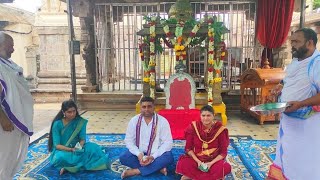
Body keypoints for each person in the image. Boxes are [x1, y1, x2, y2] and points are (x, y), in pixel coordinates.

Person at [267, 28, 320, 179]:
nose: (292, 45)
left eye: (296, 42)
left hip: (308, 127)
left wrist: (301, 103)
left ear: (310, 43)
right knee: (287, 158)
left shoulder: (317, 63)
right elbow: (289, 79)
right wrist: (281, 86)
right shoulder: (297, 61)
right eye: (292, 42)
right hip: (289, 123)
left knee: (305, 164)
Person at [0, 32, 34, 179]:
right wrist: (3, 119)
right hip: (6, 121)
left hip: (14, 118)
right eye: (10, 46)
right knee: (4, 156)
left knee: (11, 155)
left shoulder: (7, 65)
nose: (13, 50)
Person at [48, 99, 109, 175]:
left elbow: (82, 139)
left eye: (74, 111)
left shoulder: (80, 122)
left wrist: (78, 147)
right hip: (63, 150)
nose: (72, 114)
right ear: (64, 112)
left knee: (94, 149)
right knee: (59, 158)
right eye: (69, 112)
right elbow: (57, 145)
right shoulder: (57, 124)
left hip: (78, 149)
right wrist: (71, 149)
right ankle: (72, 166)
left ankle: (70, 167)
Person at [119, 96, 174, 179]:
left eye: (149, 106)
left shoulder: (162, 121)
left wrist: (153, 157)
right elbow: (128, 140)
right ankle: (157, 168)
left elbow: (168, 143)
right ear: (140, 108)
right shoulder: (134, 121)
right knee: (124, 158)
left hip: (156, 154)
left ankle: (135, 171)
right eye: (144, 107)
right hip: (139, 154)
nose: (146, 109)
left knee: (169, 157)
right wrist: (138, 154)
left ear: (154, 107)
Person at [176, 105, 231, 180]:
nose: (206, 118)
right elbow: (188, 149)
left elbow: (223, 153)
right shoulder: (193, 127)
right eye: (203, 115)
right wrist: (198, 161)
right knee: (183, 163)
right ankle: (214, 177)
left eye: (208, 115)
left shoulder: (220, 129)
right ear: (200, 116)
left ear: (213, 116)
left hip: (213, 161)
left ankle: (191, 176)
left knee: (225, 167)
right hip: (196, 160)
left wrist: (211, 163)